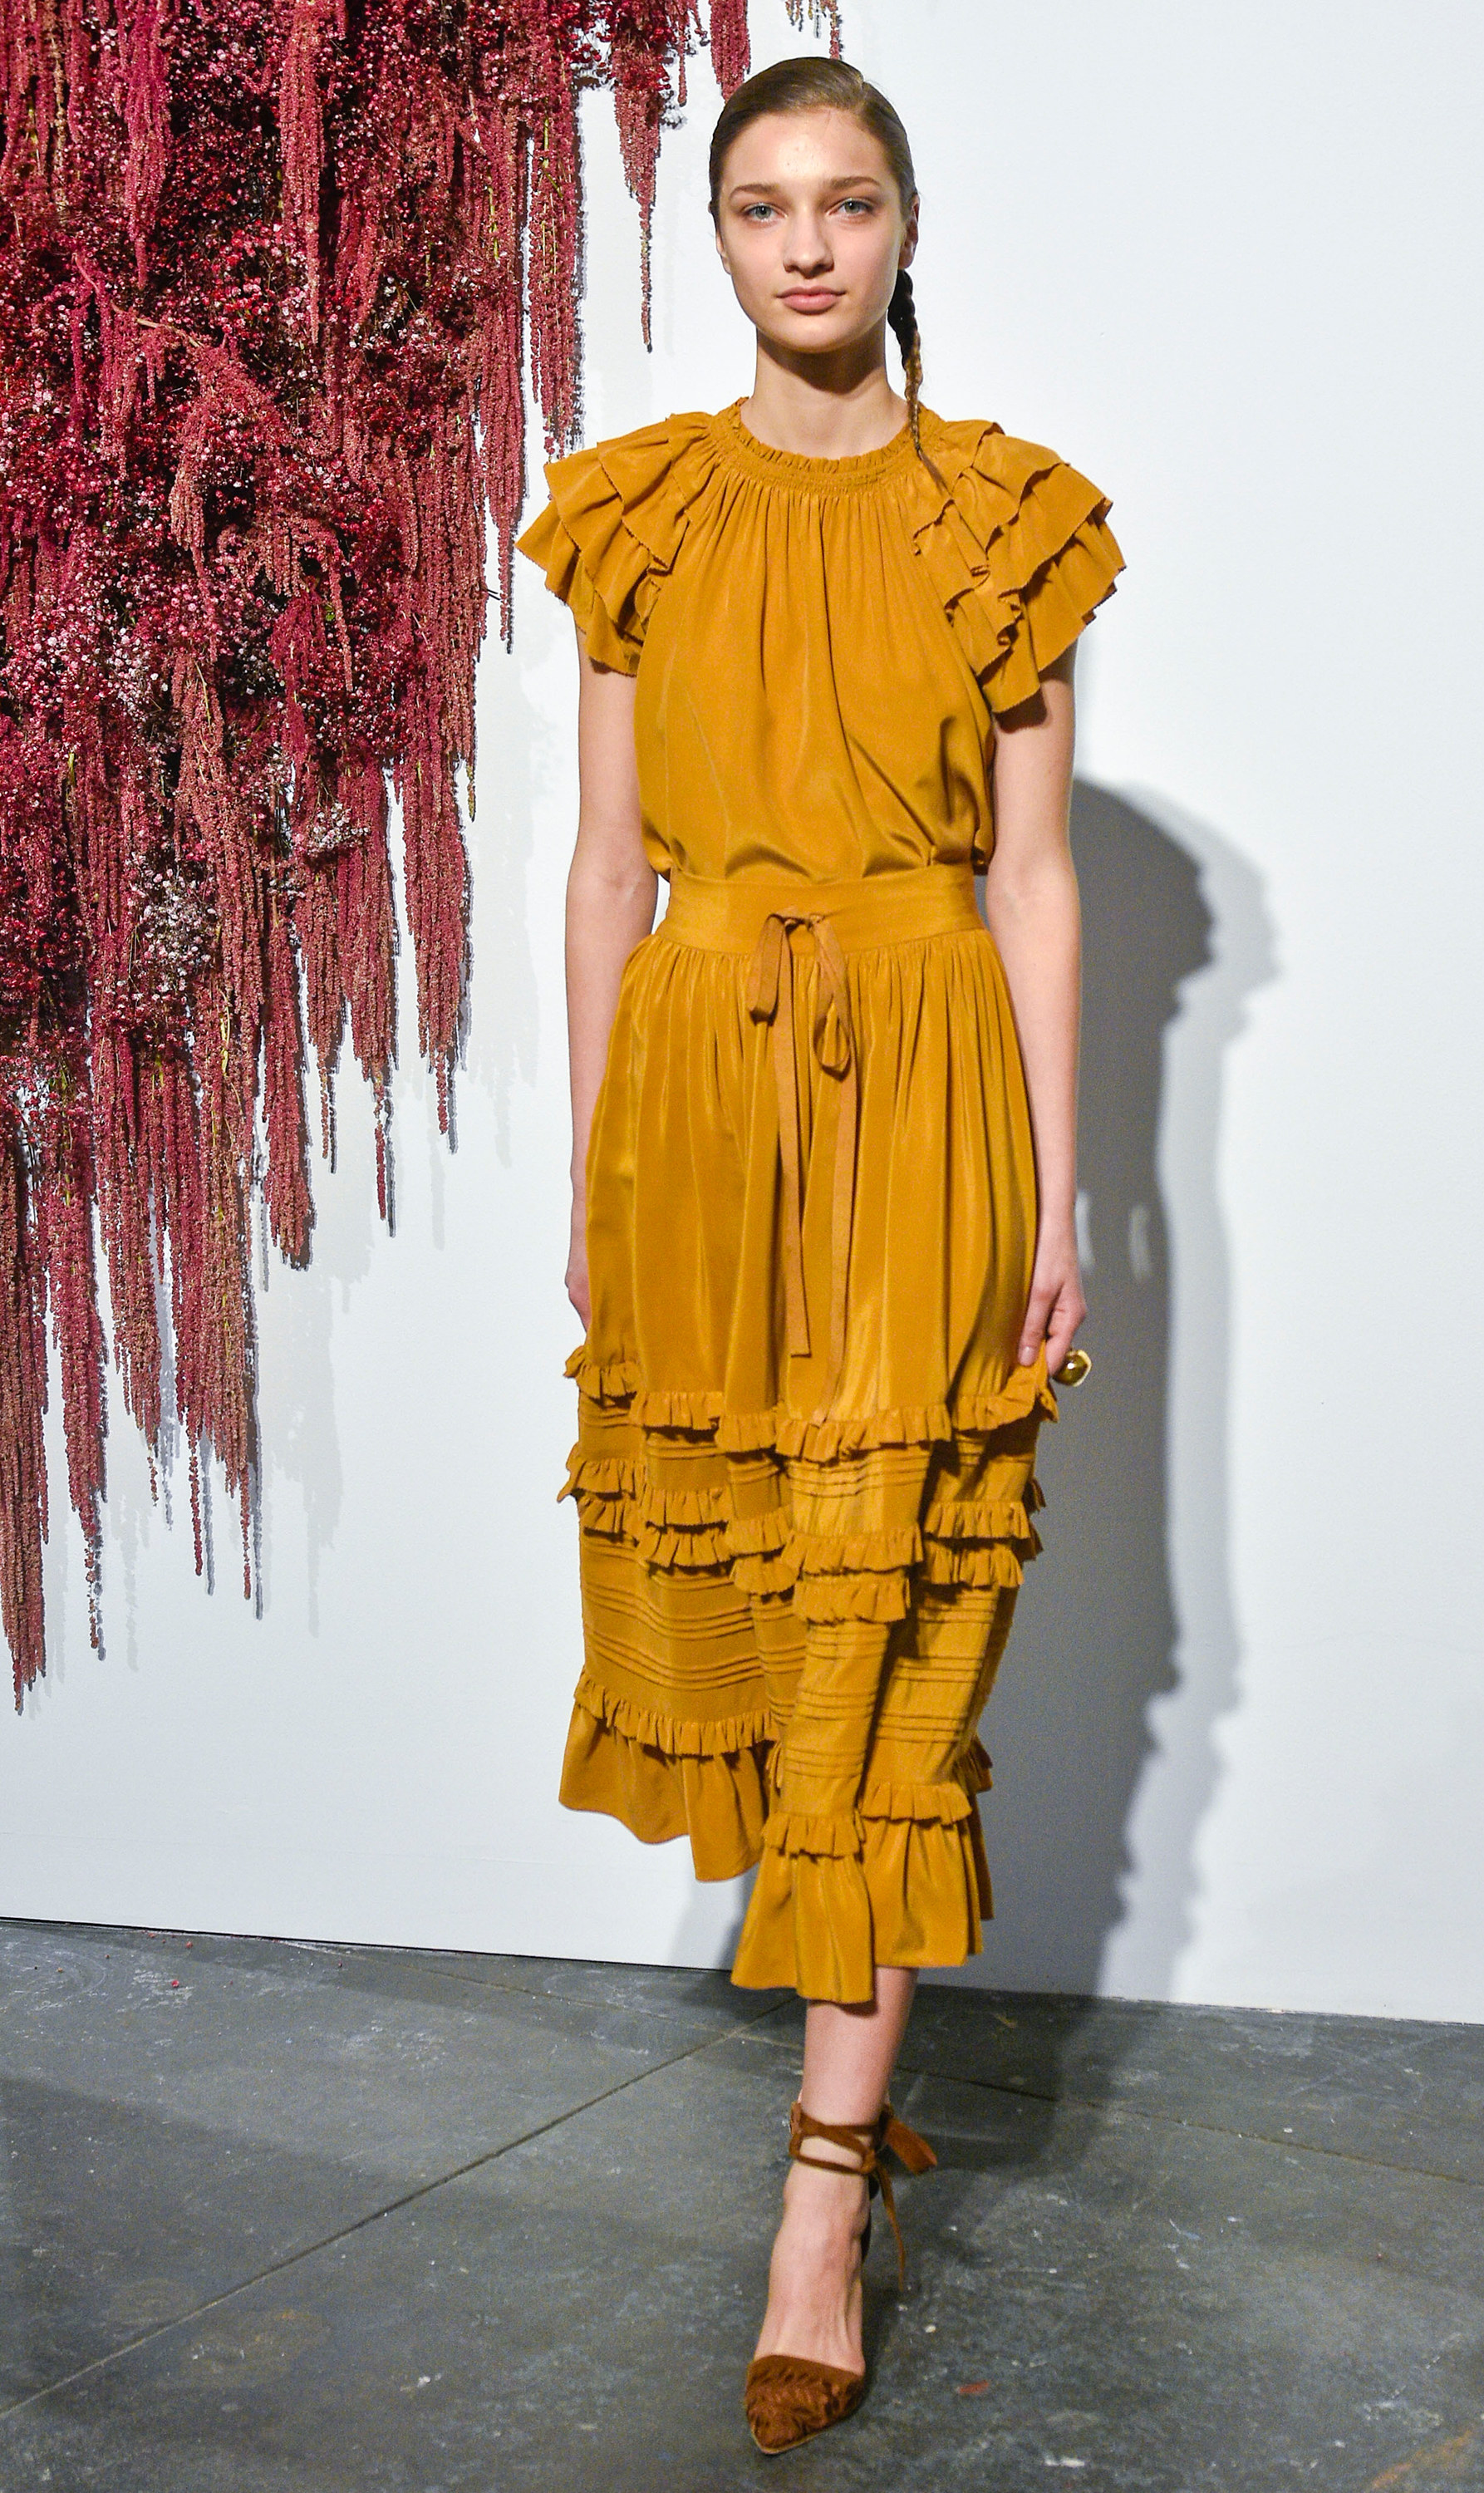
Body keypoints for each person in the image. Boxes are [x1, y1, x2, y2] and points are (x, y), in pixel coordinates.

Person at [514, 53, 1122, 2455]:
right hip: (699, 1104)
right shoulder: (644, 514)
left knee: (889, 1627)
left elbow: (1036, 878)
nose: (804, 245)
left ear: (904, 228)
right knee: (771, 1627)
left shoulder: (1003, 525)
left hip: (929, 1099)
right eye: (763, 205)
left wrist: (1060, 1189)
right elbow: (603, 868)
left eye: (845, 203)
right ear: (718, 236)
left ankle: (821, 2192)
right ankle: (855, 2092)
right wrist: (595, 1167)